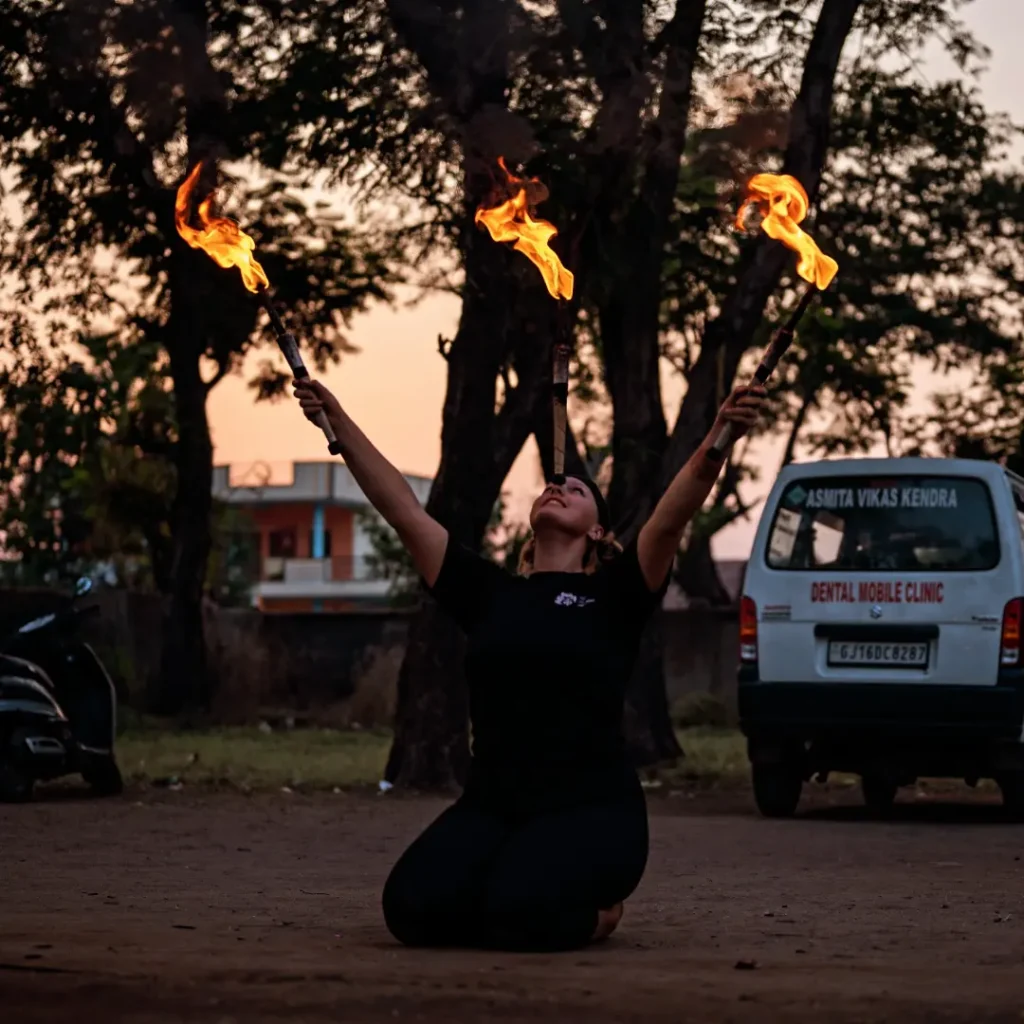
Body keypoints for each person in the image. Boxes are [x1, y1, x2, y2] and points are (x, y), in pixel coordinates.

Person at [293, 377, 766, 951]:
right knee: (411, 910)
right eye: (553, 485)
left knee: (521, 915)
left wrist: (720, 435)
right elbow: (404, 510)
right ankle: (506, 882)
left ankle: (601, 913)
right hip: (494, 805)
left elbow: (669, 518)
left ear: (598, 530)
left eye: (578, 490)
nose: (559, 487)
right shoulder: (490, 593)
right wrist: (337, 421)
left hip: (591, 809)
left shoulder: (615, 594)